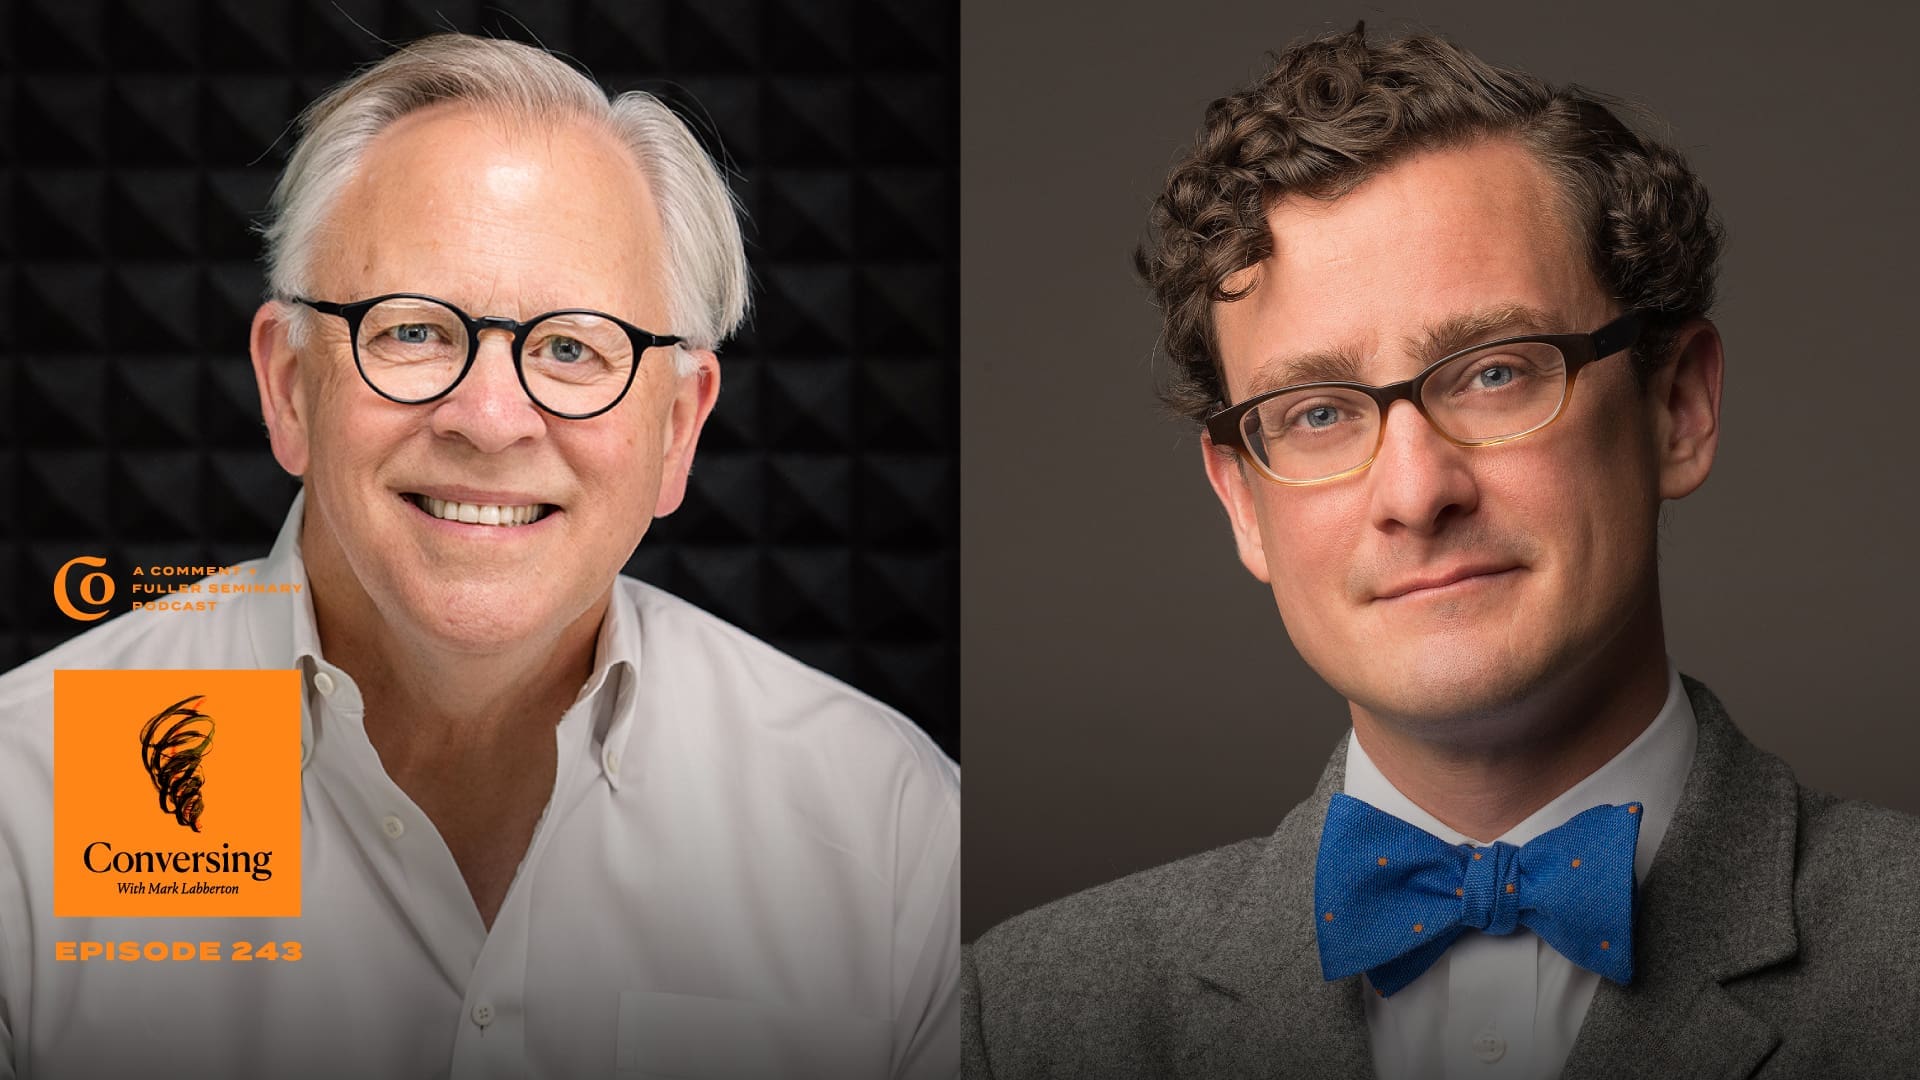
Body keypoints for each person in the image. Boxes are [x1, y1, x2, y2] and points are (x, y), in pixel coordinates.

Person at [963, 24, 1920, 1079]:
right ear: (1243, 501)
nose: (1417, 494)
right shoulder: (1014, 1021)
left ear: (1677, 408)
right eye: (1318, 413)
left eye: (1495, 373)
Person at [0, 34, 959, 1080]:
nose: (492, 419)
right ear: (287, 389)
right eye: (411, 331)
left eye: (571, 347)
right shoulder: (26, 801)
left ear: (678, 429)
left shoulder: (891, 833)